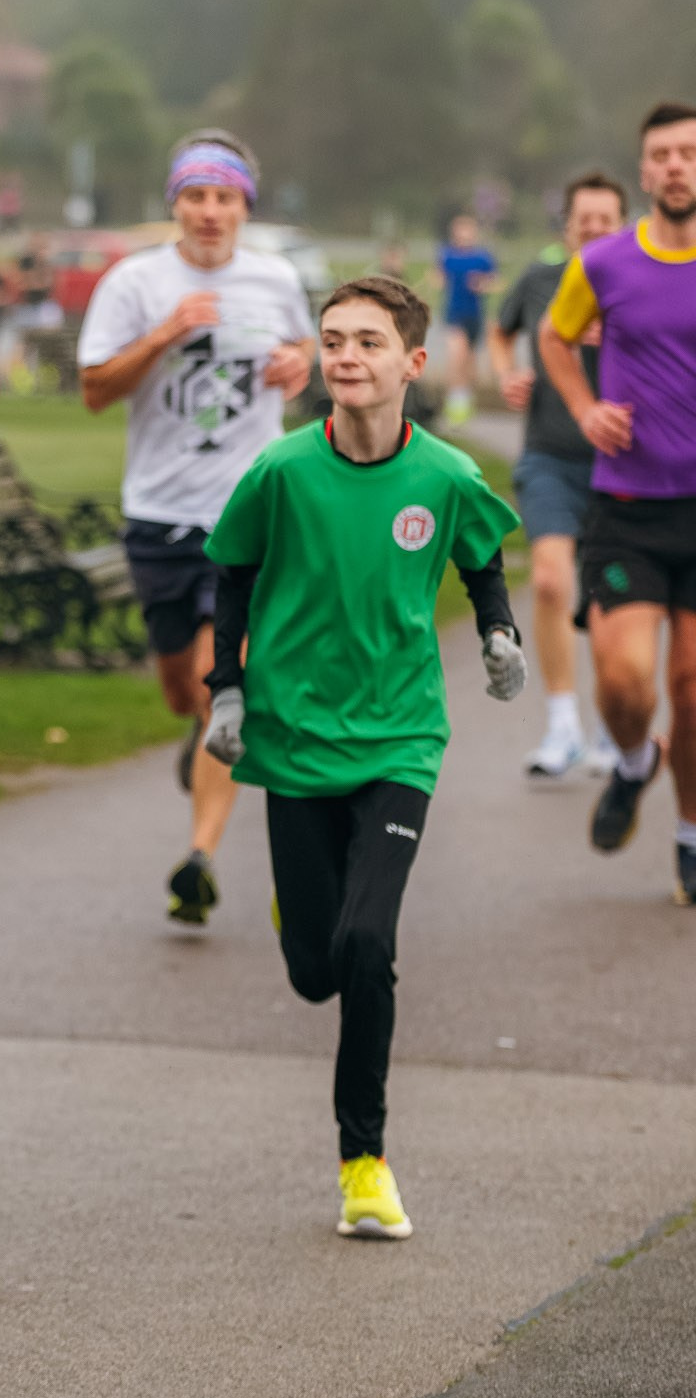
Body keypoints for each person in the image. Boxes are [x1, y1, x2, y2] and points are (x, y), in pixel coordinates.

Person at [203, 275, 525, 1240]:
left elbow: (481, 558)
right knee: (314, 969)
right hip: (296, 738)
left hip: (399, 738)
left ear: (411, 364)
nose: (346, 357)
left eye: (369, 343)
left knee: (367, 946)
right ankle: (303, 913)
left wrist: (499, 634)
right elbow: (233, 574)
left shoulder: (448, 477)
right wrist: (227, 689)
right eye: (334, 340)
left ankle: (364, 1163)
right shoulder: (284, 471)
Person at [78, 130, 315, 926]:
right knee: (183, 682)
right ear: (174, 202)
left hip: (246, 516)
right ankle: (195, 726)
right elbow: (94, 391)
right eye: (197, 196)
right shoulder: (134, 282)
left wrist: (299, 365)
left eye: (226, 198)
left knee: (227, 681)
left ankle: (200, 857)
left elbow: (303, 350)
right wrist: (162, 334)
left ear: (246, 204)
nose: (211, 212)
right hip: (158, 513)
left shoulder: (276, 279)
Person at [539, 101, 696, 905]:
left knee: (694, 686)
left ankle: (690, 832)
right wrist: (584, 408)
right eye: (662, 154)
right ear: (644, 171)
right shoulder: (603, 263)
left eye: (689, 153)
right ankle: (635, 763)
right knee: (627, 684)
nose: (676, 166)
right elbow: (555, 339)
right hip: (628, 509)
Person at [486, 173, 628, 777]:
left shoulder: (639, 280)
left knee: (607, 601)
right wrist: (506, 373)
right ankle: (562, 724)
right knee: (548, 581)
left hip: (621, 465)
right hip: (548, 454)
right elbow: (502, 327)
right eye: (584, 218)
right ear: (567, 224)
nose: (594, 229)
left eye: (605, 219)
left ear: (622, 224)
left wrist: (615, 336)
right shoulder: (542, 279)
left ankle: (609, 726)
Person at [433, 214, 497, 427]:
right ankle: (454, 405)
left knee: (470, 364)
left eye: (468, 230)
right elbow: (438, 277)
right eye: (460, 230)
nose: (464, 234)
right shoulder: (447, 255)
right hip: (454, 313)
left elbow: (495, 283)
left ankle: (465, 401)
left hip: (475, 315)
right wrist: (436, 280)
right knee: (456, 355)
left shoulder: (483, 257)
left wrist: (482, 284)